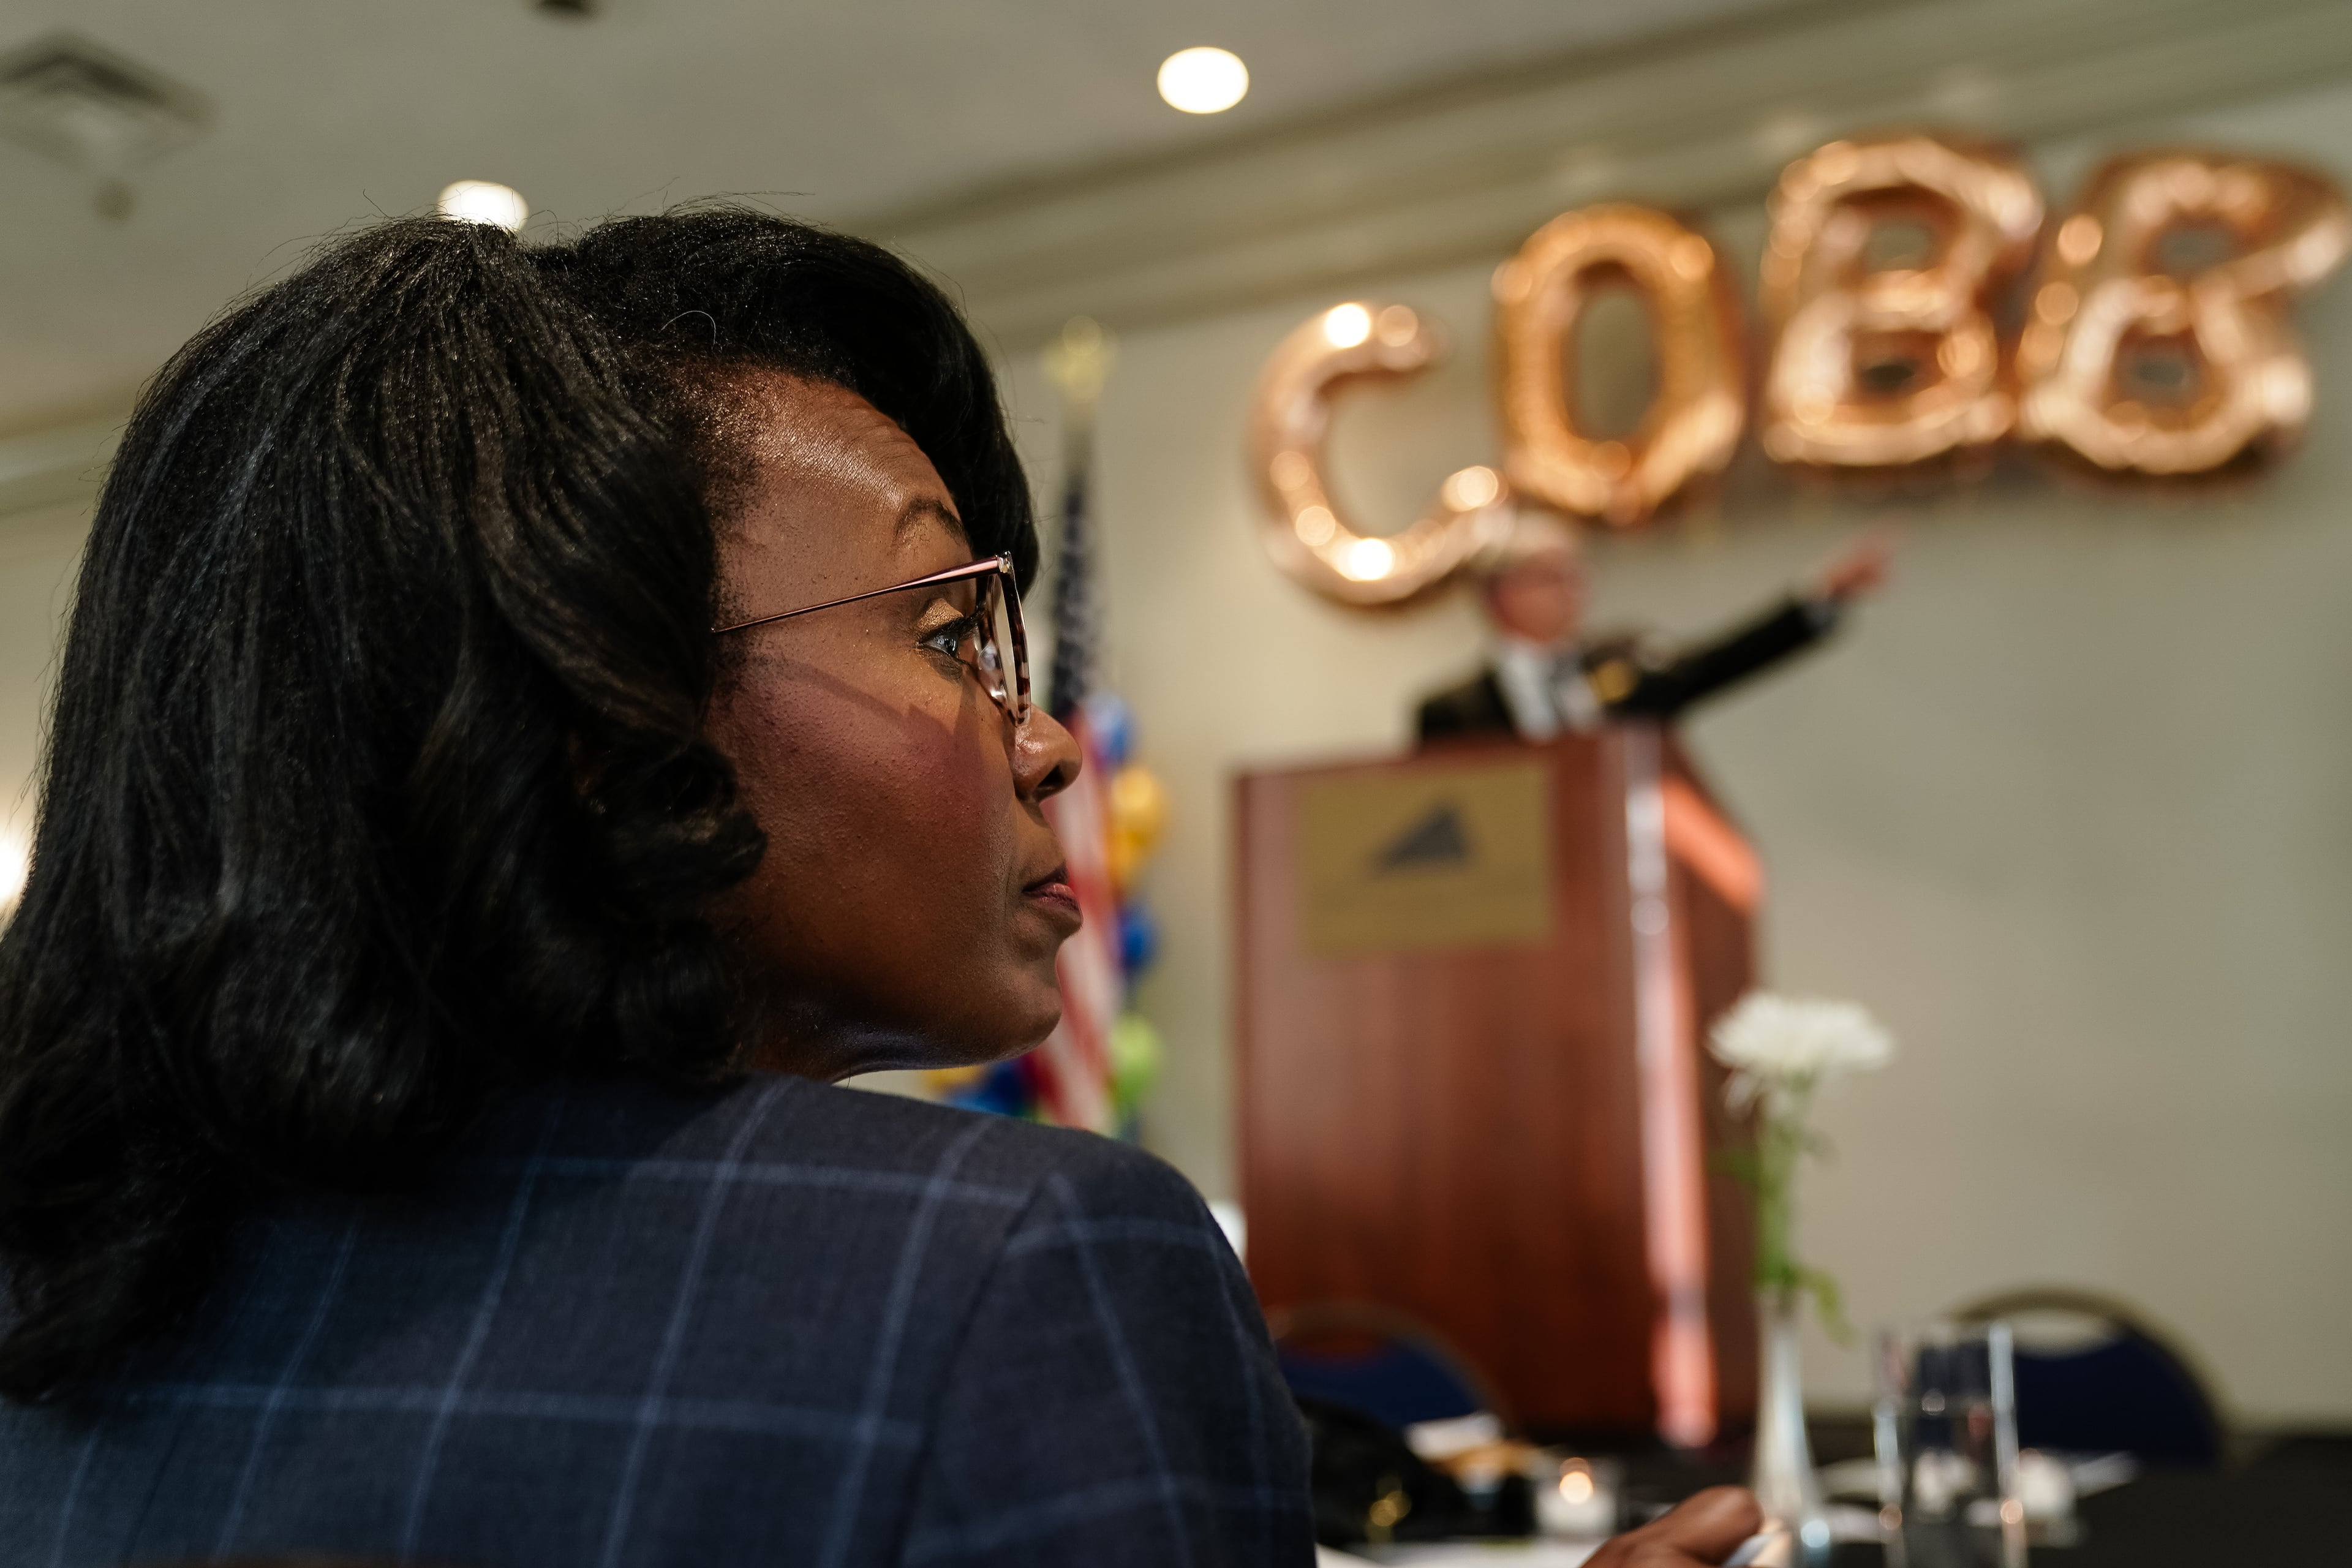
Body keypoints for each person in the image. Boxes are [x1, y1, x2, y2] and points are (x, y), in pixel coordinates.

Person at [0, 208, 1757, 1568]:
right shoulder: (1017, 1267)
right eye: (944, 631)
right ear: (602, 716)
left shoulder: (66, 1287)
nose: (1053, 741)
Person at [1415, 515, 1892, 744]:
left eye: (1579, 575)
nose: (1575, 591)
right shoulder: (1451, 711)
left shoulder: (1623, 659)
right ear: (1500, 594)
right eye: (1553, 576)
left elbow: (1715, 664)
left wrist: (1818, 597)